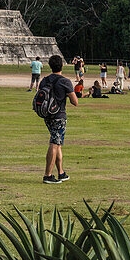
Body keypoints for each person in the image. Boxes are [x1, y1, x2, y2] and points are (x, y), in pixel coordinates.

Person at [36, 54, 76, 184]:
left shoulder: (45, 80)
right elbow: (75, 101)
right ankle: (47, 175)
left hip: (47, 115)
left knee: (57, 142)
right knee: (54, 143)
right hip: (59, 116)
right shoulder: (65, 81)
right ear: (62, 66)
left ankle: (61, 173)